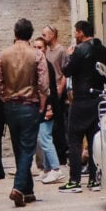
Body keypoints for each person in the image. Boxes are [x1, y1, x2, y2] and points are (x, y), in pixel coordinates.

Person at [0, 19, 48, 207]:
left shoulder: (4, 55)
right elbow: (43, 84)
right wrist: (42, 104)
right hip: (29, 104)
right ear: (30, 34)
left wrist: (4, 97)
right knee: (27, 148)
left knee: (19, 147)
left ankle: (28, 190)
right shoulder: (37, 55)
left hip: (10, 105)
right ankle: (18, 187)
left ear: (15, 33)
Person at [59, 20, 106, 192]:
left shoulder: (79, 50)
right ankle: (94, 179)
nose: (75, 35)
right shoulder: (103, 50)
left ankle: (74, 180)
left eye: (76, 32)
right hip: (98, 98)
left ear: (81, 32)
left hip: (81, 99)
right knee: (94, 139)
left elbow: (67, 71)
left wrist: (69, 55)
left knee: (74, 139)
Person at [33, 36, 65, 185]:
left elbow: (49, 89)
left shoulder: (46, 65)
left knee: (45, 138)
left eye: (39, 47)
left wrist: (49, 107)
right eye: (35, 47)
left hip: (48, 106)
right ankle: (47, 169)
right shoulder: (41, 64)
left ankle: (56, 169)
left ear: (45, 49)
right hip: (44, 106)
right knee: (42, 137)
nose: (37, 50)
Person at [42, 24, 68, 164]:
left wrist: (60, 90)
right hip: (49, 90)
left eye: (44, 34)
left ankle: (61, 156)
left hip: (58, 91)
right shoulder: (47, 51)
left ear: (52, 35)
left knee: (58, 125)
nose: (43, 36)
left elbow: (64, 73)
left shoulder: (61, 51)